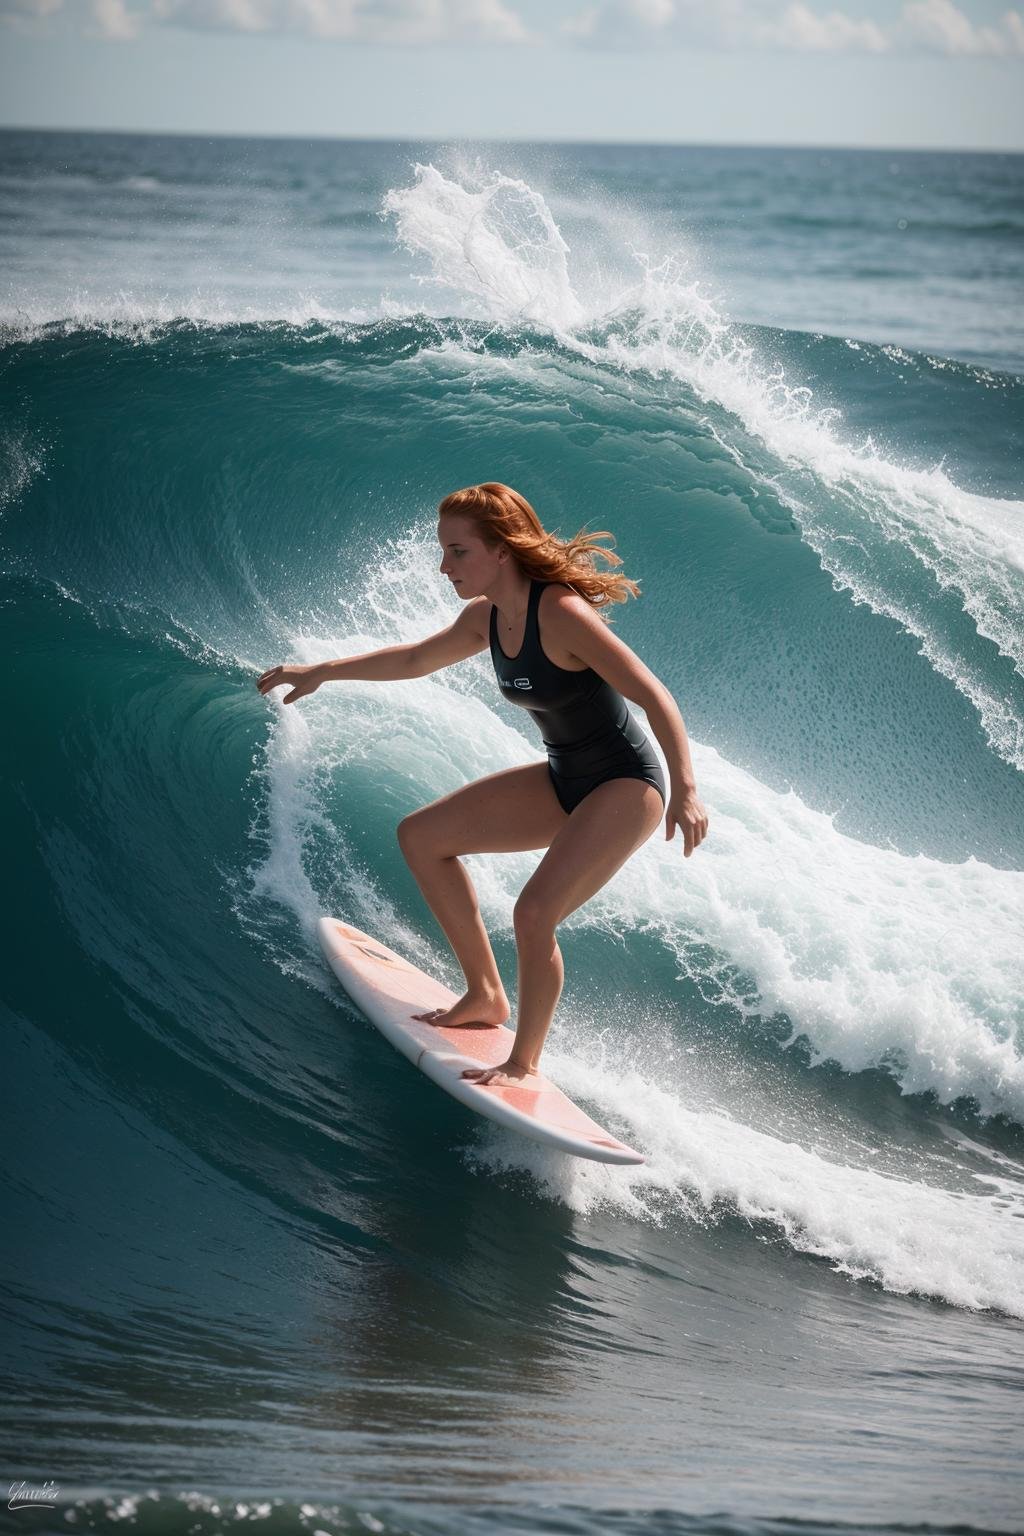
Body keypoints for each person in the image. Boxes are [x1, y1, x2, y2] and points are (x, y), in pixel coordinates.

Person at [257, 482, 708, 1090]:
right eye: (443, 551)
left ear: (502, 550)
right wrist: (324, 671)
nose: (444, 566)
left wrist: (685, 788)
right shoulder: (487, 618)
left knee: (534, 913)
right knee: (422, 836)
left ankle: (522, 1065)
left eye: (457, 551)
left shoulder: (562, 614)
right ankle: (485, 994)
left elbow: (654, 696)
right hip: (564, 774)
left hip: (626, 783)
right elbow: (416, 659)